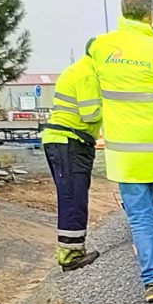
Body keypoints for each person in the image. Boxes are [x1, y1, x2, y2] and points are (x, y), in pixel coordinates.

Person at [70, 0, 153, 302]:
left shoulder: (101, 47)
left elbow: (89, 74)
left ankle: (151, 282)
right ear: (151, 14)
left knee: (140, 216)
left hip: (126, 154)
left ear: (122, 10)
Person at [39, 45, 101, 271]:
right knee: (73, 197)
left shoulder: (78, 70)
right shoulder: (88, 75)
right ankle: (70, 255)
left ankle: (72, 250)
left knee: (72, 195)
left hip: (63, 140)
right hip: (70, 142)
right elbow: (91, 113)